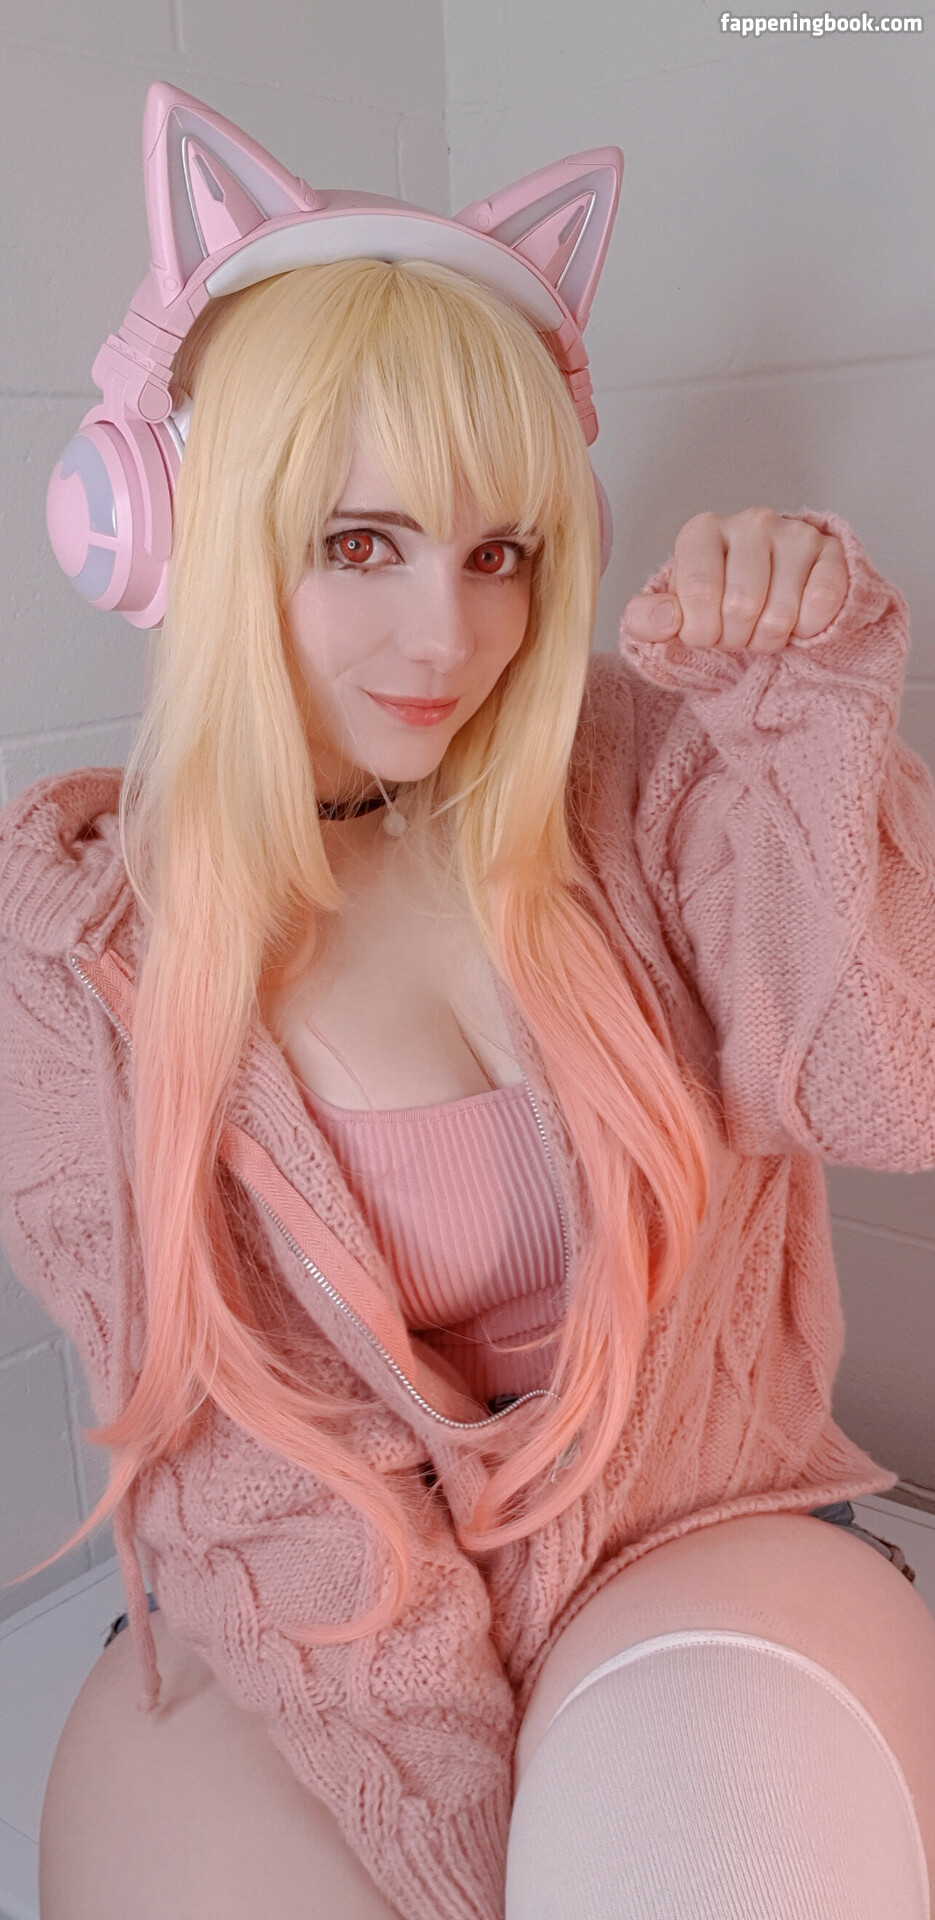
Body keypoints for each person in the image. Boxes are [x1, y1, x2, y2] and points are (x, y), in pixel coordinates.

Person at [1, 81, 934, 1920]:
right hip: (302, 1615)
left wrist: (806, 716)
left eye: (499, 552)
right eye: (361, 544)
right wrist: (472, 1846)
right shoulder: (76, 952)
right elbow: (237, 1475)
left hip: (695, 1533)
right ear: (167, 533)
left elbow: (886, 1090)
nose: (453, 638)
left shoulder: (640, 776)